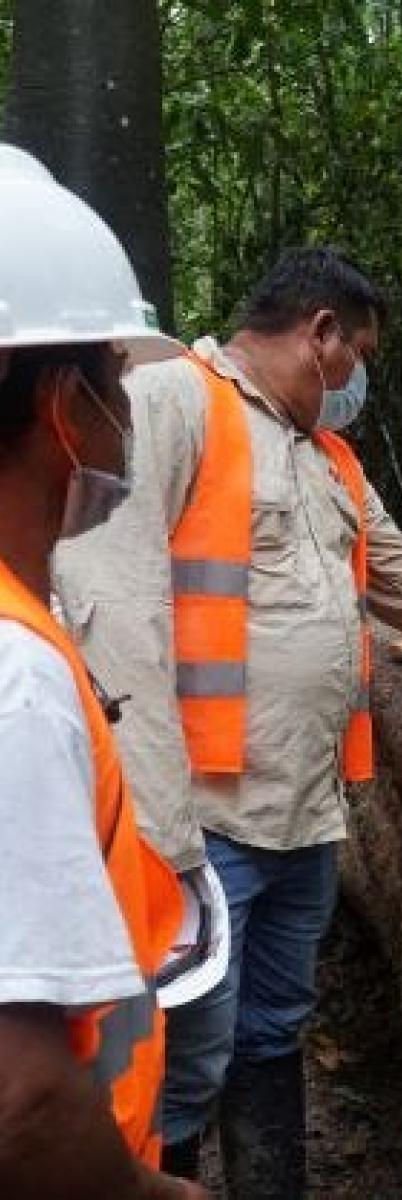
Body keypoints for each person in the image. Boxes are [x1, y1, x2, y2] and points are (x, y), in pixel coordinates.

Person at [53, 247, 402, 1197]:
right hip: (198, 826)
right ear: (320, 335)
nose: (357, 376)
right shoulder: (177, 405)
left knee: (273, 1029)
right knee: (183, 1058)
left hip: (304, 816)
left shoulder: (331, 463)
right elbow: (114, 618)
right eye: (357, 351)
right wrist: (163, 837)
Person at [0, 145, 202, 1197]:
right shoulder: (17, 676)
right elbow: (21, 1099)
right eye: (119, 380)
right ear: (63, 404)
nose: (131, 411)